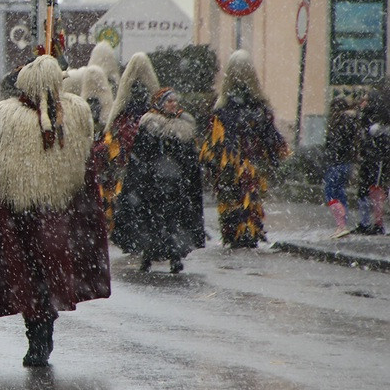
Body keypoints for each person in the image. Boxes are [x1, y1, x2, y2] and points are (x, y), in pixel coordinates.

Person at [0, 56, 110, 367]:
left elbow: (83, 166)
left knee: (46, 277)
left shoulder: (72, 113)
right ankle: (36, 334)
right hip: (20, 214)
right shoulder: (4, 116)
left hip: (53, 214)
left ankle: (43, 331)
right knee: (28, 278)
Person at [200, 50, 289, 248]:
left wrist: (212, 163)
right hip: (248, 164)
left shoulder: (222, 108)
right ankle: (246, 233)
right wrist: (274, 158)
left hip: (232, 165)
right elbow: (269, 137)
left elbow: (213, 143)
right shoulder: (258, 107)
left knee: (232, 200)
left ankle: (235, 233)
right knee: (247, 198)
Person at [113, 88, 205, 273]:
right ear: (160, 103)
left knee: (174, 221)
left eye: (174, 100)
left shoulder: (183, 126)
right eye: (168, 101)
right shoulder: (150, 125)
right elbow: (141, 155)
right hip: (153, 184)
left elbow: (189, 158)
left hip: (176, 184)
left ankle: (175, 257)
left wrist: (188, 175)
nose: (173, 104)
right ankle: (148, 257)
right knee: (153, 221)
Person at [98, 52, 160, 234]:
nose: (140, 94)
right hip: (130, 165)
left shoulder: (147, 117)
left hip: (142, 165)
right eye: (136, 90)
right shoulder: (124, 119)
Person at [353, 82, 390, 235]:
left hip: (377, 159)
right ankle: (367, 223)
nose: (362, 102)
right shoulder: (366, 116)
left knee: (376, 189)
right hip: (370, 158)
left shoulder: (378, 120)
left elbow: (378, 140)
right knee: (366, 190)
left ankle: (377, 223)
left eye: (366, 100)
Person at [323, 95, 360, 236]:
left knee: (330, 193)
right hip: (347, 163)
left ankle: (341, 225)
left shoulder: (337, 122)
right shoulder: (352, 121)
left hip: (336, 163)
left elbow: (332, 145)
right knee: (340, 192)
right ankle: (343, 224)